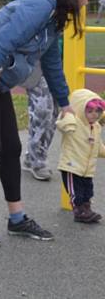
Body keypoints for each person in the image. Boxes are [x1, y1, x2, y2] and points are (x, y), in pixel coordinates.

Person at [0, 0, 94, 247]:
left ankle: (17, 218)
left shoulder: (54, 12)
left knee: (11, 147)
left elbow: (51, 62)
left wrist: (63, 102)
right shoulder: (40, 6)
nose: (87, 2)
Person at [22, 0, 62, 182]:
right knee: (42, 109)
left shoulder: (58, 6)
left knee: (54, 110)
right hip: (34, 66)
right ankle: (37, 159)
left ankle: (34, 156)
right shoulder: (36, 4)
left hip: (53, 64)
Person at [56, 89, 105, 224]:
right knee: (76, 192)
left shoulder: (95, 127)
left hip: (87, 167)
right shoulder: (74, 122)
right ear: (79, 109)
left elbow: (97, 145)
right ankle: (79, 211)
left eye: (98, 111)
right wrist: (69, 117)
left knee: (88, 191)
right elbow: (61, 124)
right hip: (71, 166)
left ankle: (86, 209)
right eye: (90, 111)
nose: (94, 115)